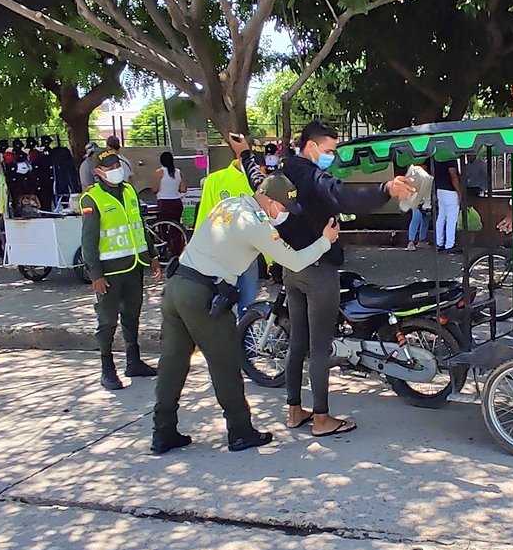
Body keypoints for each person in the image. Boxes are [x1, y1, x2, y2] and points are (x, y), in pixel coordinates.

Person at [151, 172, 341, 454]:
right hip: (203, 295)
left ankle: (162, 432)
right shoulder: (254, 223)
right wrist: (326, 240)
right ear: (268, 201)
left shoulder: (231, 205)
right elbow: (295, 261)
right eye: (282, 208)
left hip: (177, 287)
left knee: (172, 364)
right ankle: (240, 432)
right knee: (226, 363)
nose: (283, 214)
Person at [279, 120, 416, 437]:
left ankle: (295, 411)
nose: (332, 155)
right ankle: (322, 418)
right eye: (328, 150)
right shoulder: (313, 176)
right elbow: (342, 195)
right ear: (311, 146)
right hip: (318, 269)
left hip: (291, 267)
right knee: (320, 346)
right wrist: (385, 189)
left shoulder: (283, 172)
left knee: (297, 341)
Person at [80, 149, 162, 391]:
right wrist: (95, 274)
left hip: (134, 265)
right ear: (97, 172)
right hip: (109, 272)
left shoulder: (128, 192)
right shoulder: (92, 199)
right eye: (109, 166)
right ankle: (107, 369)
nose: (115, 168)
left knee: (132, 316)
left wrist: (153, 256)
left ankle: (133, 361)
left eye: (117, 163)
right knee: (107, 322)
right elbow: (88, 240)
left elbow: (139, 226)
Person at [194, 135, 266, 315]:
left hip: (249, 257)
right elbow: (204, 217)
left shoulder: (261, 186)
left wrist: (271, 259)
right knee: (220, 305)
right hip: (221, 256)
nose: (260, 171)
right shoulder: (216, 180)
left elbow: (265, 221)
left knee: (247, 306)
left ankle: (244, 340)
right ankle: (221, 341)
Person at [151, 151, 187, 258]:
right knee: (176, 227)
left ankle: (164, 249)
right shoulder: (178, 172)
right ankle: (177, 250)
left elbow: (154, 189)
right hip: (176, 202)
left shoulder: (159, 172)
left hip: (164, 202)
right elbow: (183, 189)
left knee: (162, 226)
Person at [433, 157, 462, 252]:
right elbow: (453, 176)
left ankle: (439, 242)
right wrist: (459, 193)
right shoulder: (450, 157)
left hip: (440, 190)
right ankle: (450, 244)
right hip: (451, 191)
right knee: (452, 219)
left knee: (441, 217)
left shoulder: (437, 157)